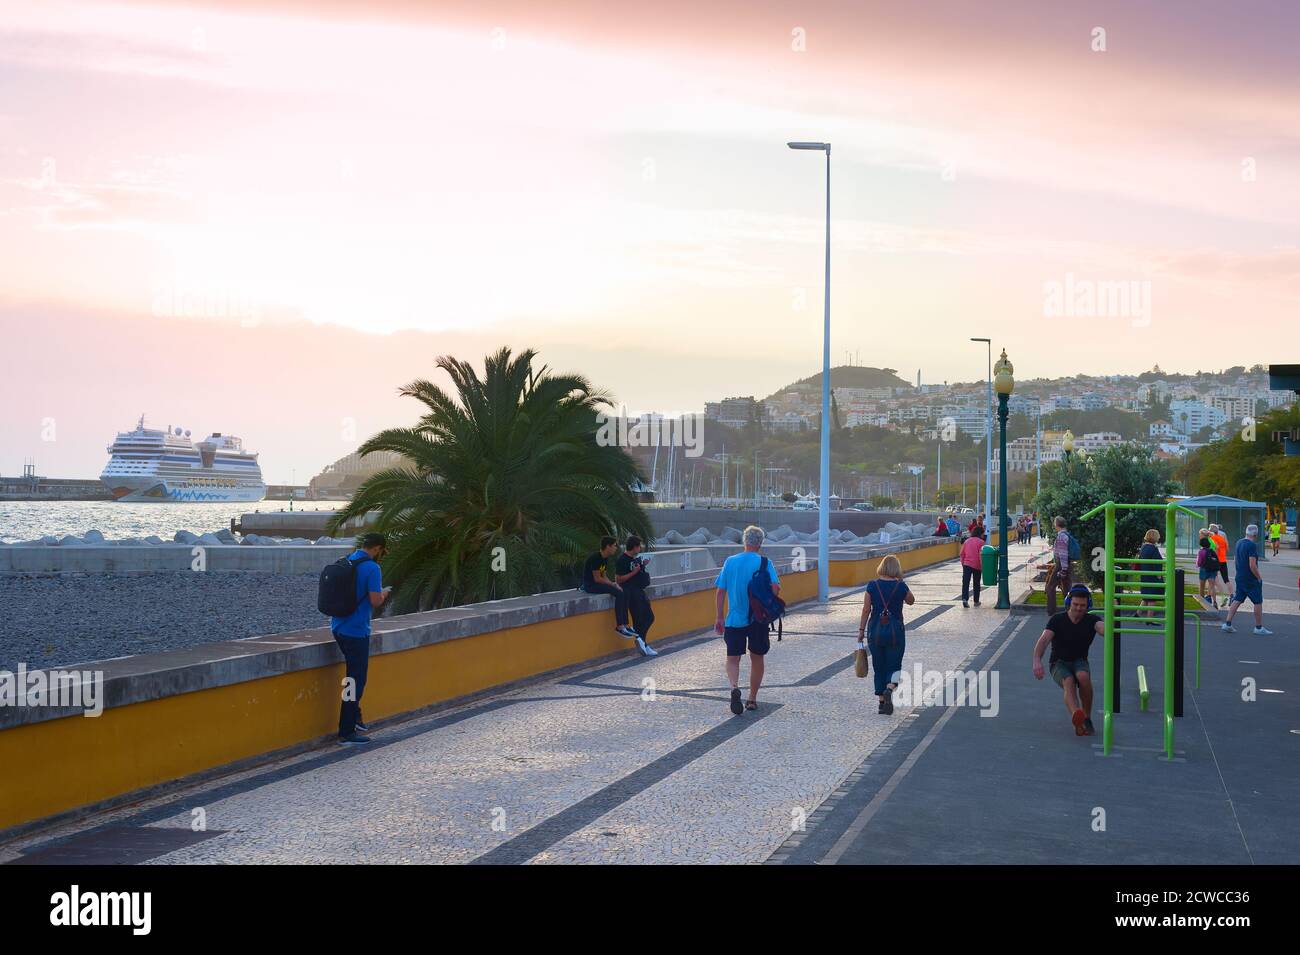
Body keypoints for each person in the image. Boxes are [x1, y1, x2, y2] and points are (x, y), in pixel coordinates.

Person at [330, 532, 392, 745]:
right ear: (377, 549)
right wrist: (384, 593)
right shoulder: (372, 568)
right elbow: (375, 601)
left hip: (338, 627)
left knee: (352, 677)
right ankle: (347, 731)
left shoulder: (347, 560)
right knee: (355, 681)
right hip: (356, 631)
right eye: (381, 552)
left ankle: (354, 715)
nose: (380, 555)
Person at [714, 525, 781, 715]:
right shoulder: (765, 562)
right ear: (760, 543)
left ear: (744, 541)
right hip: (757, 619)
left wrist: (719, 616)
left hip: (734, 618)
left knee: (733, 658)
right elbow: (776, 588)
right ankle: (752, 699)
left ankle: (734, 687)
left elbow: (720, 591)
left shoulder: (730, 561)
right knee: (756, 657)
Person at [1032, 584, 1104, 736]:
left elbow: (1103, 629)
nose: (1079, 608)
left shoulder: (1092, 620)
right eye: (1075, 604)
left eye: (1083, 605)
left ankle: (1086, 717)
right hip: (1058, 662)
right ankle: (1076, 714)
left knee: (1083, 677)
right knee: (1069, 681)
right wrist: (1037, 660)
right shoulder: (1057, 620)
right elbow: (1044, 640)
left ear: (1088, 605)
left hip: (1080, 660)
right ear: (1068, 603)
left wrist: (1112, 617)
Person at [858, 555, 915, 714]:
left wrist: (861, 631)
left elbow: (865, 610)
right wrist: (901, 588)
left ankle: (882, 703)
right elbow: (912, 601)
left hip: (875, 633)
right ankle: (890, 687)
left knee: (879, 666)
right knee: (894, 665)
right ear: (896, 568)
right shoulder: (901, 586)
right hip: (895, 633)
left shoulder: (872, 585)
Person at [582, 536, 639, 639]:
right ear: (608, 546)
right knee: (619, 593)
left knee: (623, 591)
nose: (616, 548)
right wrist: (612, 585)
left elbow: (604, 576)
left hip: (598, 583)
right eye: (614, 546)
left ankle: (626, 625)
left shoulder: (605, 558)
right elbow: (597, 579)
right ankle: (620, 626)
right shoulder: (596, 558)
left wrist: (614, 584)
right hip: (591, 586)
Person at [1222, 525, 1272, 635]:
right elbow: (1252, 565)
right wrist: (1258, 577)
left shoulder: (1239, 542)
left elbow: (1236, 559)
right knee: (1258, 601)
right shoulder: (1252, 545)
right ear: (1256, 535)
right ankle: (1258, 627)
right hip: (1250, 578)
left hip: (1240, 576)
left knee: (1238, 599)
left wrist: (1239, 571)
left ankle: (1228, 623)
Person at [615, 535, 658, 656]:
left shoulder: (635, 559)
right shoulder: (622, 560)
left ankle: (642, 642)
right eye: (639, 546)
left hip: (639, 592)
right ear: (634, 547)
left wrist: (643, 565)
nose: (640, 549)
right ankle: (643, 642)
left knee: (649, 617)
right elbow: (618, 580)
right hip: (631, 594)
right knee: (639, 620)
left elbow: (638, 574)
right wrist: (633, 572)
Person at [1045, 516, 1072, 616]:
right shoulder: (1067, 534)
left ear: (1056, 525)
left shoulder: (1061, 536)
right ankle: (1069, 609)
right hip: (1066, 565)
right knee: (1066, 588)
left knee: (1050, 587)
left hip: (1061, 565)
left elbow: (1063, 554)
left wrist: (1063, 569)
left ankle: (1051, 611)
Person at [1136, 528, 1163, 619]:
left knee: (1146, 596)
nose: (1159, 538)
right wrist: (1159, 575)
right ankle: (1149, 618)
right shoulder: (1153, 549)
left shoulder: (1143, 547)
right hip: (1152, 576)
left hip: (1145, 574)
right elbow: (1157, 562)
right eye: (1158, 536)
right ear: (1154, 537)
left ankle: (1138, 613)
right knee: (1152, 598)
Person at [1196, 531, 1222, 611]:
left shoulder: (1201, 552)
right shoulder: (1212, 551)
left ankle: (1201, 602)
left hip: (1204, 569)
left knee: (1202, 586)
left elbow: (1199, 563)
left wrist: (1198, 565)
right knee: (1212, 586)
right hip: (1212, 570)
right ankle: (1214, 602)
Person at [959, 526, 984, 608]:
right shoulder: (981, 542)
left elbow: (962, 554)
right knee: (976, 583)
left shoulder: (967, 541)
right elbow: (981, 556)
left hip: (967, 564)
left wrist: (963, 563)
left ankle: (965, 599)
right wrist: (982, 566)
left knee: (965, 583)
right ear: (980, 533)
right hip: (977, 566)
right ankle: (976, 601)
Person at [1210, 524, 1231, 609]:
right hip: (1223, 559)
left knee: (1214, 580)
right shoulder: (1223, 536)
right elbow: (1227, 547)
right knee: (1225, 579)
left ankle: (1220, 598)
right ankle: (1230, 595)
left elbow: (1215, 548)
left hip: (1215, 560)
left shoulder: (1212, 537)